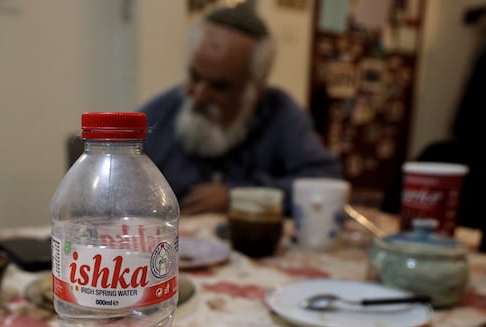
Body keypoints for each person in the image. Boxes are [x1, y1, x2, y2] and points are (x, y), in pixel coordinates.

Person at [139, 2, 341, 215]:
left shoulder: (281, 114)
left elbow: (325, 181)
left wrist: (240, 197)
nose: (199, 95)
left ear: (256, 88)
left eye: (219, 86)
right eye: (194, 77)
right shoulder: (162, 112)